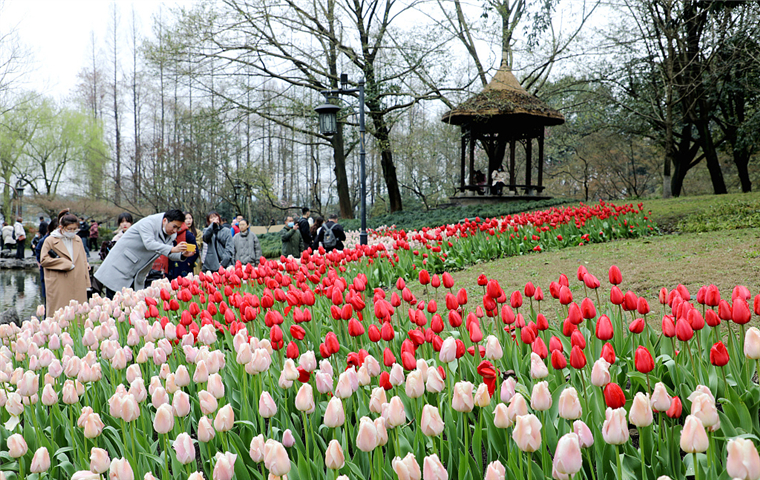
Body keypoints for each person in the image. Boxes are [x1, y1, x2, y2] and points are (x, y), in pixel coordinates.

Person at [94, 209, 190, 297]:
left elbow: (167, 252)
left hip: (135, 274)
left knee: (132, 309)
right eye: (174, 227)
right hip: (118, 269)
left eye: (178, 228)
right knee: (115, 308)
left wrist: (182, 255)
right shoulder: (148, 223)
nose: (175, 231)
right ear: (165, 220)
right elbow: (150, 244)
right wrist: (173, 249)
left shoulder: (171, 234)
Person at [40, 210, 90, 316]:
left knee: (78, 314)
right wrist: (64, 263)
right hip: (59, 281)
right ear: (61, 227)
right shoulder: (50, 240)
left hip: (78, 281)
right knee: (60, 313)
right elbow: (44, 260)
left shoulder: (78, 239)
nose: (72, 231)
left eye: (74, 229)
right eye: (69, 229)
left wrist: (87, 283)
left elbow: (84, 260)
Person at [35, 217, 58, 302]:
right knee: (47, 292)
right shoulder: (45, 239)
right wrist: (39, 262)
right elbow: (38, 251)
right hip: (47, 267)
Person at [185, 212, 203, 276]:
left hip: (195, 258)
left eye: (190, 218)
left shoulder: (198, 232)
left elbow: (197, 245)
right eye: (186, 218)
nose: (188, 220)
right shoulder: (178, 232)